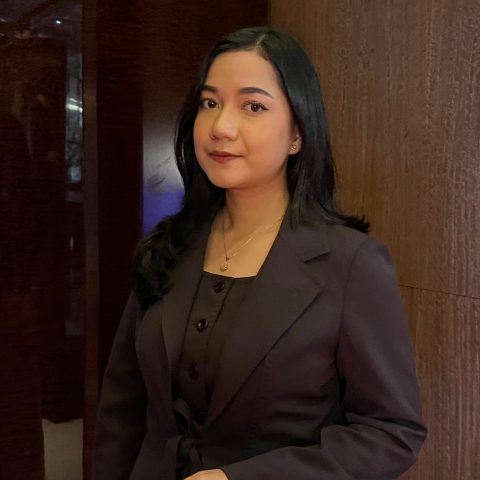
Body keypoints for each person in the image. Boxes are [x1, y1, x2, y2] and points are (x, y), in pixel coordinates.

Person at [93, 26, 426, 480]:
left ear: (297, 133)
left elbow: (391, 432)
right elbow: (121, 411)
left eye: (253, 106)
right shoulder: (169, 244)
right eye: (210, 103)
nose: (221, 127)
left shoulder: (351, 263)